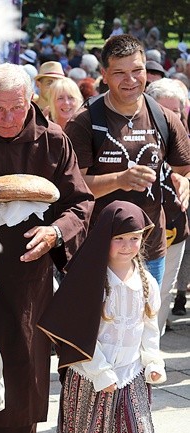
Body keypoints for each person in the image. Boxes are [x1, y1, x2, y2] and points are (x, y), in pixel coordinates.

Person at [0, 63, 94, 433]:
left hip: (29, 275)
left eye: (17, 107)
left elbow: (80, 203)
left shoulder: (53, 139)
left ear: (31, 100)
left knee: (24, 369)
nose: (8, 118)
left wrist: (55, 232)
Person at [65, 34, 190, 287]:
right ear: (104, 74)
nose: (131, 80)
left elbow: (184, 169)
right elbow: (71, 188)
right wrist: (119, 180)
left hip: (151, 248)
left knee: (147, 322)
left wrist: (184, 181)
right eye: (120, 73)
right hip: (98, 248)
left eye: (137, 70)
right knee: (100, 325)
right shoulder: (85, 121)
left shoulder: (163, 117)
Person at [38, 201, 166, 432]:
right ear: (103, 238)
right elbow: (76, 333)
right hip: (91, 376)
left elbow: (149, 328)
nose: (127, 246)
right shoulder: (89, 283)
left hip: (131, 373)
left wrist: (153, 361)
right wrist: (100, 370)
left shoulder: (146, 283)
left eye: (134, 238)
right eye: (119, 238)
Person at [144, 78, 190, 333]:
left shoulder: (185, 140)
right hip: (138, 231)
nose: (171, 116)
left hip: (174, 230)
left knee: (162, 295)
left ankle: (152, 357)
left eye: (176, 111)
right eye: (164, 110)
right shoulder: (133, 136)